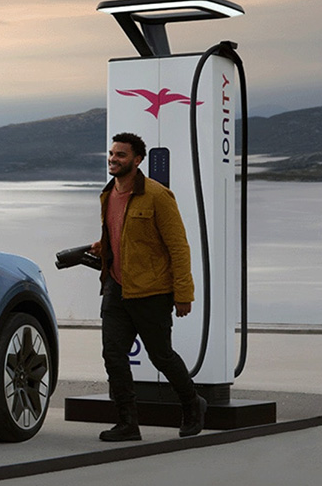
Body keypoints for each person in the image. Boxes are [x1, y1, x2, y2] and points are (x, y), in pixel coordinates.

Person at [91, 132, 206, 442]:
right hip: (115, 288)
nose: (113, 159)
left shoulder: (157, 196)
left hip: (151, 293)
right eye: (112, 154)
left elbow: (178, 247)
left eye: (121, 155)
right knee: (113, 356)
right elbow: (122, 233)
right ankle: (128, 423)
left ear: (137, 160)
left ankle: (192, 404)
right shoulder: (108, 194)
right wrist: (104, 246)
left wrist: (184, 294)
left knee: (161, 356)